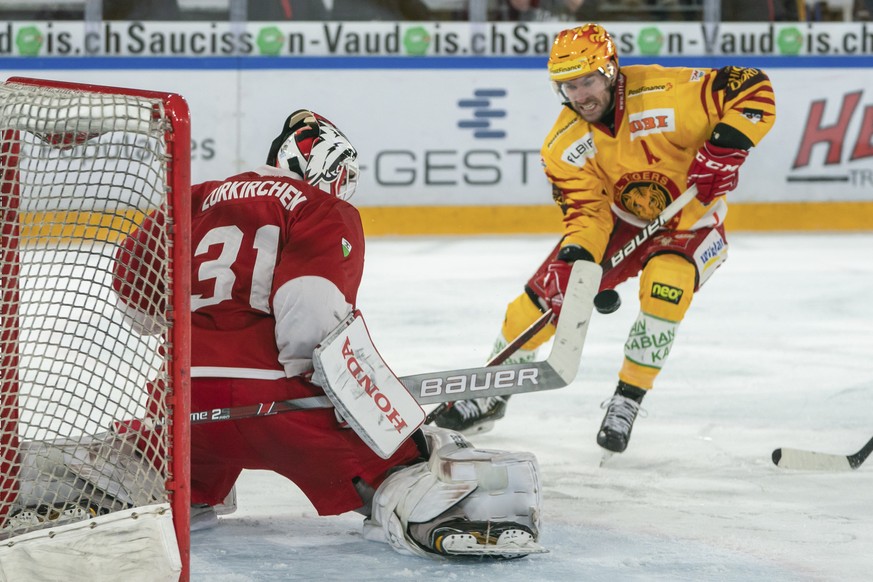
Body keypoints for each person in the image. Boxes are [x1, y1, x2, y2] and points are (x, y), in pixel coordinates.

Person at [111, 109, 544, 557]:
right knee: (403, 460)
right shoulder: (321, 208)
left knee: (174, 470)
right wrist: (326, 386)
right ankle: (441, 510)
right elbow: (310, 304)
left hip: (183, 408)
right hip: (280, 406)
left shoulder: (192, 198)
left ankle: (180, 495)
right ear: (327, 165)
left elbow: (133, 296)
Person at [433, 23, 776, 455]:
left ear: (611, 70)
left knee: (664, 289)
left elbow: (753, 88)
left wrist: (727, 146)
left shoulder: (665, 93)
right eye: (568, 85)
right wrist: (581, 263)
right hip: (618, 223)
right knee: (540, 301)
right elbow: (586, 213)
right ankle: (492, 391)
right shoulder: (563, 144)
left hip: (693, 224)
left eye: (588, 80)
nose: (580, 95)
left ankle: (627, 399)